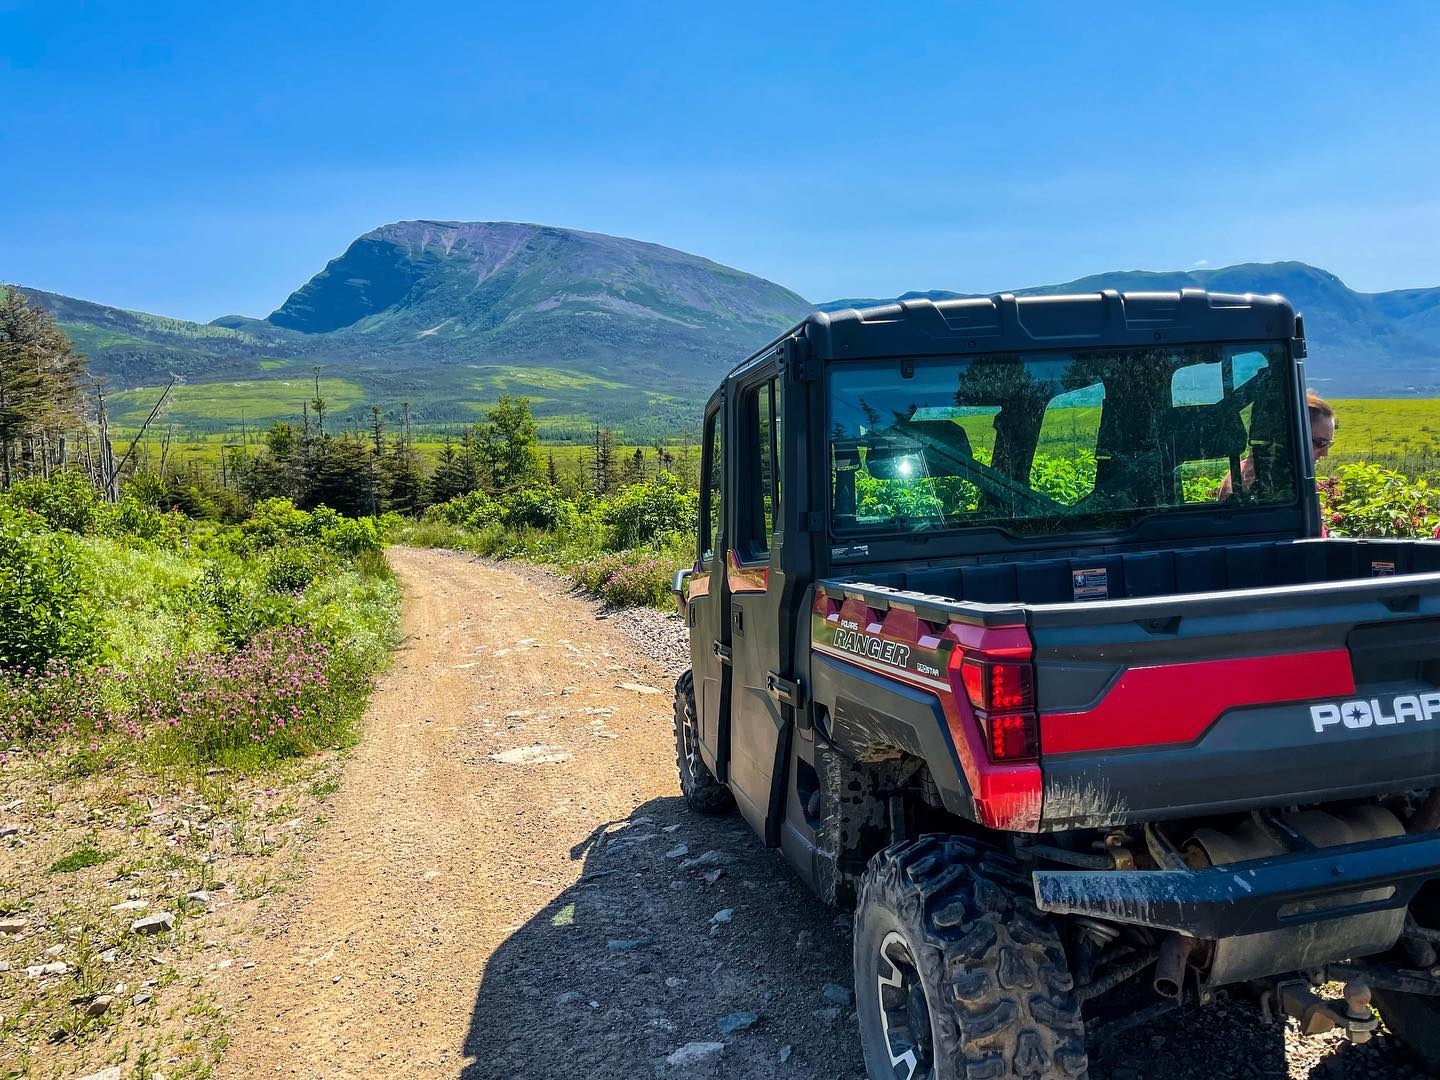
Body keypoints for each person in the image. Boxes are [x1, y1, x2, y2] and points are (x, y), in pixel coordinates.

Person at [1217, 389, 1335, 499]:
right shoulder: (1272, 481)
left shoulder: (1242, 472)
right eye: (1320, 443)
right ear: (1292, 435)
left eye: (1328, 444)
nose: (1325, 453)